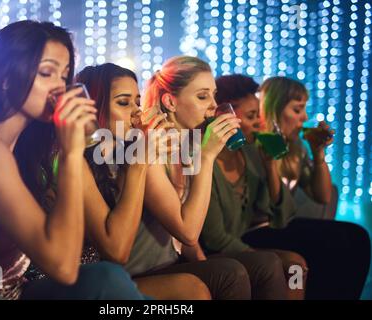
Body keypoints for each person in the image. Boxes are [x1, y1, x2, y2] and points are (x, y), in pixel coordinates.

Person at [0, 20, 147, 300]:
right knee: (108, 280)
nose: (59, 88)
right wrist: (71, 155)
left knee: (111, 281)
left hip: (17, 291)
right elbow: (64, 267)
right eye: (46, 73)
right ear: (5, 78)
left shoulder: (20, 147)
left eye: (65, 76)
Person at [124, 55, 289, 300]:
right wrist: (208, 156)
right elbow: (188, 232)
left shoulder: (188, 147)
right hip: (140, 271)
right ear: (170, 101)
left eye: (214, 95)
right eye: (203, 96)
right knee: (233, 272)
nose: (213, 105)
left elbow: (189, 234)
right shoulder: (150, 146)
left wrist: (202, 263)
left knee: (268, 263)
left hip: (172, 261)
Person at [68, 63, 211, 300]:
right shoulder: (77, 160)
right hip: (98, 280)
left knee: (234, 273)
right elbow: (119, 251)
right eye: (124, 103)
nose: (136, 112)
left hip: (153, 266)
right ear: (91, 107)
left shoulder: (130, 152)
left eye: (137, 102)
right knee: (199, 287)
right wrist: (205, 157)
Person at [241, 76, 371, 299]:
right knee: (332, 243)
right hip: (252, 232)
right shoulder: (254, 147)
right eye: (297, 109)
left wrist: (318, 153)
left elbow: (323, 195)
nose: (305, 118)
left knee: (356, 236)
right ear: (275, 109)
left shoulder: (296, 149)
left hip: (280, 226)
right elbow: (270, 209)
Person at [200, 74, 307, 299]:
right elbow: (214, 238)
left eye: (258, 114)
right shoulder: (205, 160)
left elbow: (282, 217)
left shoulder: (250, 153)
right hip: (213, 253)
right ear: (223, 116)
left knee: (296, 268)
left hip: (243, 245)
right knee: (287, 264)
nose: (260, 122)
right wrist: (260, 256)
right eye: (251, 116)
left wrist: (270, 167)